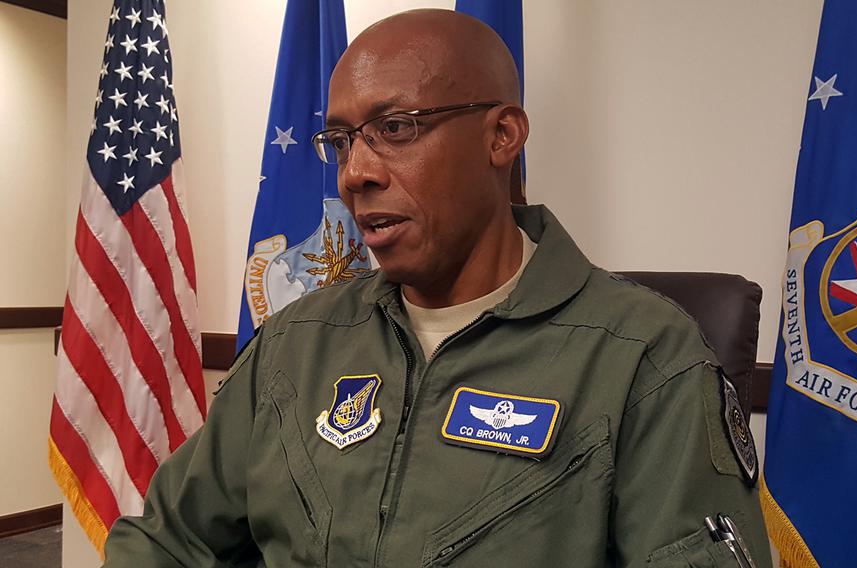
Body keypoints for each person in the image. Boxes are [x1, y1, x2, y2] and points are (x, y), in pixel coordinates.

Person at [104, 9, 772, 567]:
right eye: (341, 141)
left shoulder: (645, 359)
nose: (355, 173)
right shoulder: (296, 342)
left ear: (501, 136)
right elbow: (166, 539)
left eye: (396, 129)